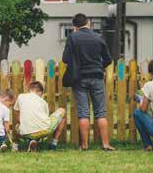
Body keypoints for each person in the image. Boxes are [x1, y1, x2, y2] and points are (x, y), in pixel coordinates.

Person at [62, 13, 115, 151]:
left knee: (83, 112)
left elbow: (65, 59)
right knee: (100, 112)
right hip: (97, 77)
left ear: (75, 26)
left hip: (79, 78)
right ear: (88, 23)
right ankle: (105, 144)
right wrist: (99, 67)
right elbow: (108, 59)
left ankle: (84, 145)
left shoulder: (73, 37)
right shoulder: (98, 37)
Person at [14, 82, 67, 152]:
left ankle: (16, 145)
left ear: (30, 89)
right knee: (62, 110)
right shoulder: (43, 102)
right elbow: (45, 118)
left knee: (17, 126)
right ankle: (54, 143)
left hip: (24, 133)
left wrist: (21, 123)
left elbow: (16, 113)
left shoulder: (21, 97)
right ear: (40, 92)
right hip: (44, 131)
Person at [134, 58, 153, 151]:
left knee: (137, 113)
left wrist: (141, 100)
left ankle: (147, 145)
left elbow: (143, 109)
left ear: (150, 72)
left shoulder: (149, 85)